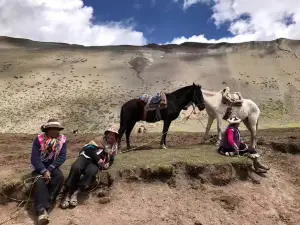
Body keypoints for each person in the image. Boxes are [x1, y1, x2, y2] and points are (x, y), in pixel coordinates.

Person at [60, 124, 119, 209]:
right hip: (86, 157)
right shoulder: (99, 139)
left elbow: (112, 159)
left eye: (113, 135)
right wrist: (98, 159)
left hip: (95, 164)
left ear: (115, 137)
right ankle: (67, 193)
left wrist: (107, 164)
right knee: (76, 167)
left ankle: (75, 193)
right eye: (109, 134)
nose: (111, 136)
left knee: (91, 172)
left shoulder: (114, 146)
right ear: (106, 134)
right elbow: (89, 149)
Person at [30, 119, 67, 225]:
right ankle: (41, 211)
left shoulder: (62, 140)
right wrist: (43, 170)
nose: (54, 131)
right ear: (47, 129)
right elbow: (35, 158)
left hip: (52, 167)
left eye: (56, 129)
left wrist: (50, 169)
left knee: (59, 178)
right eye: (52, 129)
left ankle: (48, 203)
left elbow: (62, 157)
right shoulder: (39, 140)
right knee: (39, 182)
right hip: (38, 167)